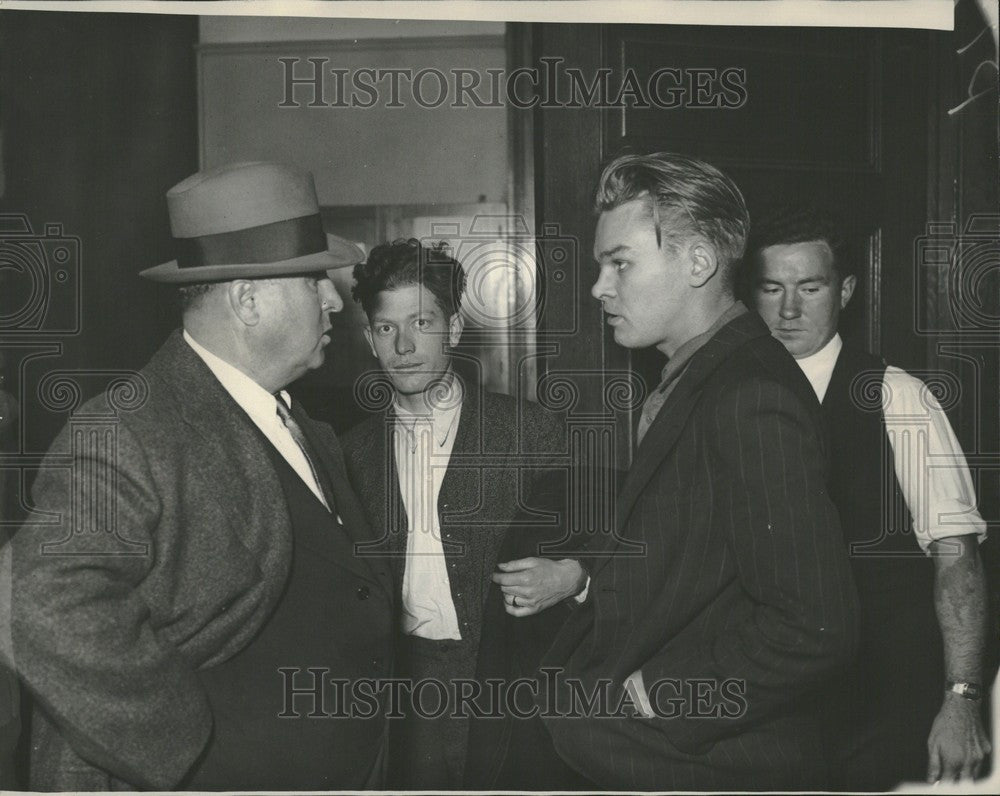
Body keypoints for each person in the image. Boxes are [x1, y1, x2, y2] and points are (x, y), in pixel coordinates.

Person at [8, 161, 395, 790]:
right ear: (247, 300)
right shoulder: (127, 429)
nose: (334, 298)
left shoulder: (308, 428)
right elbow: (36, 598)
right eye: (313, 280)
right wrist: (186, 744)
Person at [538, 152, 859, 790]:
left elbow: (815, 626)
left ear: (698, 262)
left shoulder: (749, 395)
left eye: (619, 263)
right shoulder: (701, 376)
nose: (599, 286)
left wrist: (664, 694)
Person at [747, 206, 990, 788]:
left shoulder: (898, 397)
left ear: (847, 290)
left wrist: (962, 700)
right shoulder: (728, 401)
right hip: (768, 712)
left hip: (881, 706)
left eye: (810, 286)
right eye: (772, 288)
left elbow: (958, 563)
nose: (788, 309)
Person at [341, 238, 584, 789]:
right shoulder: (347, 455)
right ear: (369, 340)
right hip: (397, 695)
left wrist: (574, 575)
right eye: (386, 328)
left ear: (453, 330)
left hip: (508, 685)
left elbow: (608, 548)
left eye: (422, 322)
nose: (404, 344)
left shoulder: (532, 431)